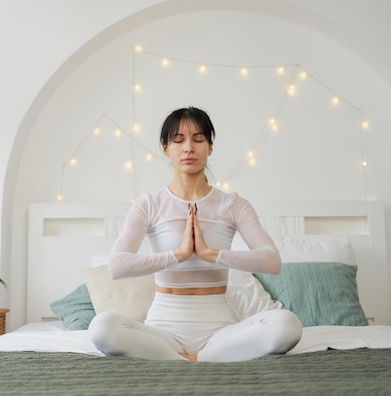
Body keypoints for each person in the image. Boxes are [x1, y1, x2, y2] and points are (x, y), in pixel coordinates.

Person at [88, 106, 303, 362]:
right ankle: (197, 358)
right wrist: (178, 255)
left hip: (220, 330)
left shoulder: (233, 204)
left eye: (198, 139)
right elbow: (117, 266)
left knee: (287, 325)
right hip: (162, 330)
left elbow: (272, 261)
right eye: (178, 140)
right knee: (101, 327)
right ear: (166, 149)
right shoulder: (149, 204)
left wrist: (212, 254)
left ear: (210, 147)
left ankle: (190, 358)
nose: (188, 147)